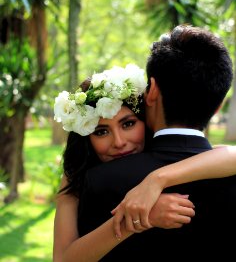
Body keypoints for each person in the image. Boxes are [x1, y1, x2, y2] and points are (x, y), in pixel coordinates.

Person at [64, 24, 236, 261]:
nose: (120, 142)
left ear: (151, 90)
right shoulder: (224, 167)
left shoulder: (99, 180)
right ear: (218, 107)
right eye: (102, 131)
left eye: (127, 124)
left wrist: (157, 180)